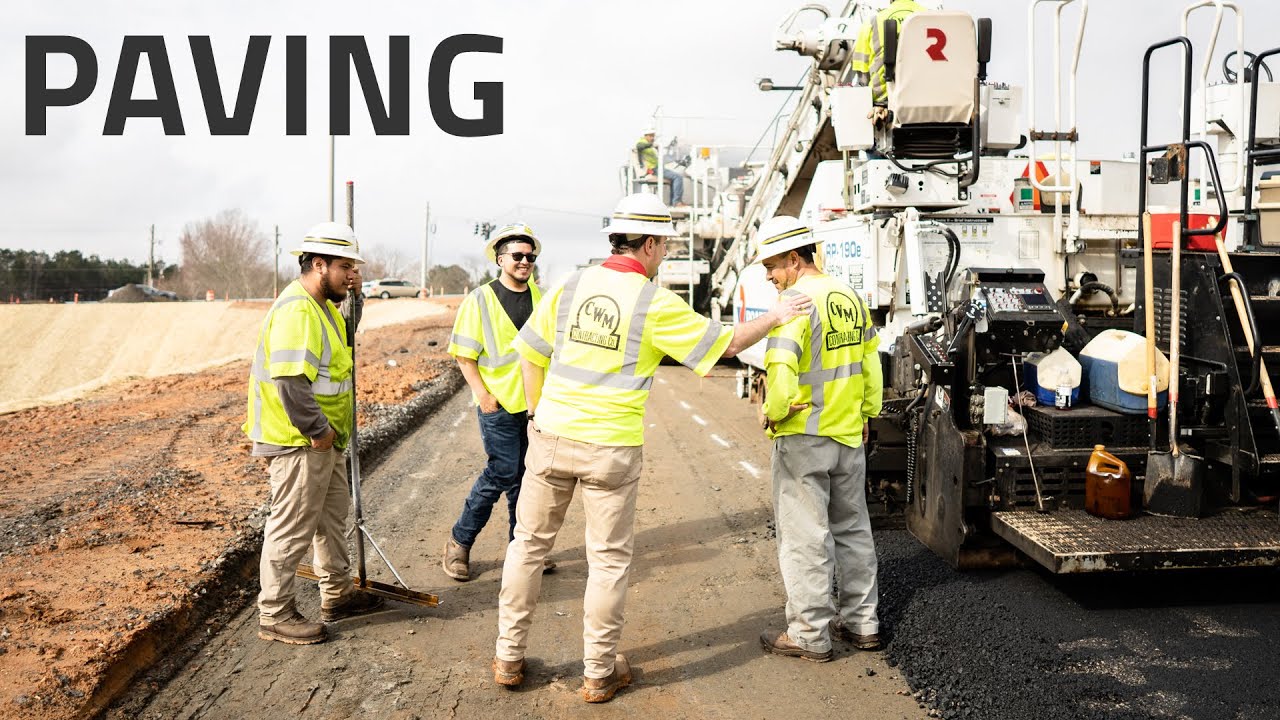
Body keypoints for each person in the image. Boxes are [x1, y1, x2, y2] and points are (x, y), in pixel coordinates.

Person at [492, 193, 811, 703]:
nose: (663, 254)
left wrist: (535, 414)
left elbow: (530, 353)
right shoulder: (653, 302)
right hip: (610, 448)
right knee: (608, 562)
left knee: (527, 546)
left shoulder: (570, 286)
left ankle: (508, 656)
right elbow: (723, 345)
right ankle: (598, 673)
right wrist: (776, 317)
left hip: (550, 436)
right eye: (663, 245)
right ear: (652, 243)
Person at [242, 222, 385, 645]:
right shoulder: (297, 311)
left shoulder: (321, 304)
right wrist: (319, 433)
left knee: (330, 520)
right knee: (291, 527)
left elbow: (345, 336)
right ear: (318, 264)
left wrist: (355, 296)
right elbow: (290, 383)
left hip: (325, 441)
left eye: (354, 268)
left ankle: (337, 596)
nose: (351, 275)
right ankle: (274, 614)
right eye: (345, 268)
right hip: (300, 441)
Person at [751, 216, 884, 663]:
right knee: (853, 530)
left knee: (806, 535)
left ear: (794, 259)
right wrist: (867, 412)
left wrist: (772, 413)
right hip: (848, 433)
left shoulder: (795, 301)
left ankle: (809, 634)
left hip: (804, 435)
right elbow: (870, 363)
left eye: (772, 265)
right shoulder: (848, 296)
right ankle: (863, 623)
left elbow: (781, 368)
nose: (769, 276)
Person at [443, 224, 556, 581]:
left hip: (535, 405)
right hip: (498, 403)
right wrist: (483, 394)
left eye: (530, 257)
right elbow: (464, 354)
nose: (525, 262)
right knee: (503, 471)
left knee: (528, 479)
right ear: (500, 259)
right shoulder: (480, 299)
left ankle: (519, 550)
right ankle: (459, 543)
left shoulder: (542, 298)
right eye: (518, 256)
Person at [849, 0, 926, 103]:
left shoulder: (873, 22)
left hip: (884, 102)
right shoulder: (932, 17)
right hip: (928, 98)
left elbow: (862, 77)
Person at [636, 127, 685, 206]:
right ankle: (677, 202)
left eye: (653, 136)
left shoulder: (648, 145)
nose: (652, 138)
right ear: (645, 136)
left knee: (674, 178)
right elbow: (639, 146)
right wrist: (652, 145)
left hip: (657, 168)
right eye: (651, 136)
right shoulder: (642, 142)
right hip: (654, 169)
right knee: (678, 177)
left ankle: (674, 202)